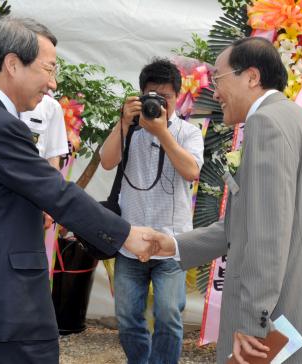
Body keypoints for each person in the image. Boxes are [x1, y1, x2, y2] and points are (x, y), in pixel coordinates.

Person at [0, 17, 155, 364]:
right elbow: (55, 193)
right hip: (0, 310)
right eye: (48, 68)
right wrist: (127, 235)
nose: (53, 83)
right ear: (12, 64)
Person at [147, 37, 302, 364]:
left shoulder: (266, 123)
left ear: (252, 77)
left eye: (218, 79)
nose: (214, 92)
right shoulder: (299, 121)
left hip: (277, 319)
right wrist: (172, 245)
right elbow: (248, 223)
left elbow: (268, 234)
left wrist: (253, 321)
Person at [100, 58, 204, 363]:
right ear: (140, 95)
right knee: (128, 316)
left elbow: (191, 172)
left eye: (166, 98)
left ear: (177, 98)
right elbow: (106, 162)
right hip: (131, 241)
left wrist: (162, 132)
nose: (159, 104)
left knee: (169, 315)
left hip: (172, 243)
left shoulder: (188, 133)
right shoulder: (130, 129)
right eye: (152, 97)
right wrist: (123, 123)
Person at [20, 94, 69, 228]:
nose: (53, 83)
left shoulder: (51, 107)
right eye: (48, 71)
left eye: (53, 72)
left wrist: (51, 204)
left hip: (32, 199)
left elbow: (53, 159)